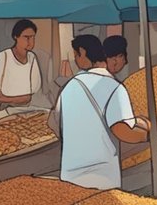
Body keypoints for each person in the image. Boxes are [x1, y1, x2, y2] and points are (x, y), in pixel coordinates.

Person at [51, 35, 149, 189]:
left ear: (83, 53)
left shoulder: (69, 87)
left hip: (70, 175)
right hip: (102, 177)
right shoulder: (114, 88)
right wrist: (148, 134)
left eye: (76, 55)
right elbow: (123, 130)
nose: (76, 60)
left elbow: (55, 123)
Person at [0, 19, 43, 110]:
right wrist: (16, 99)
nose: (30, 41)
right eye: (26, 37)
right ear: (16, 37)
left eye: (33, 37)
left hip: (26, 107)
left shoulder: (32, 57)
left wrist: (17, 99)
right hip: (3, 107)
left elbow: (34, 88)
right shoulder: (2, 57)